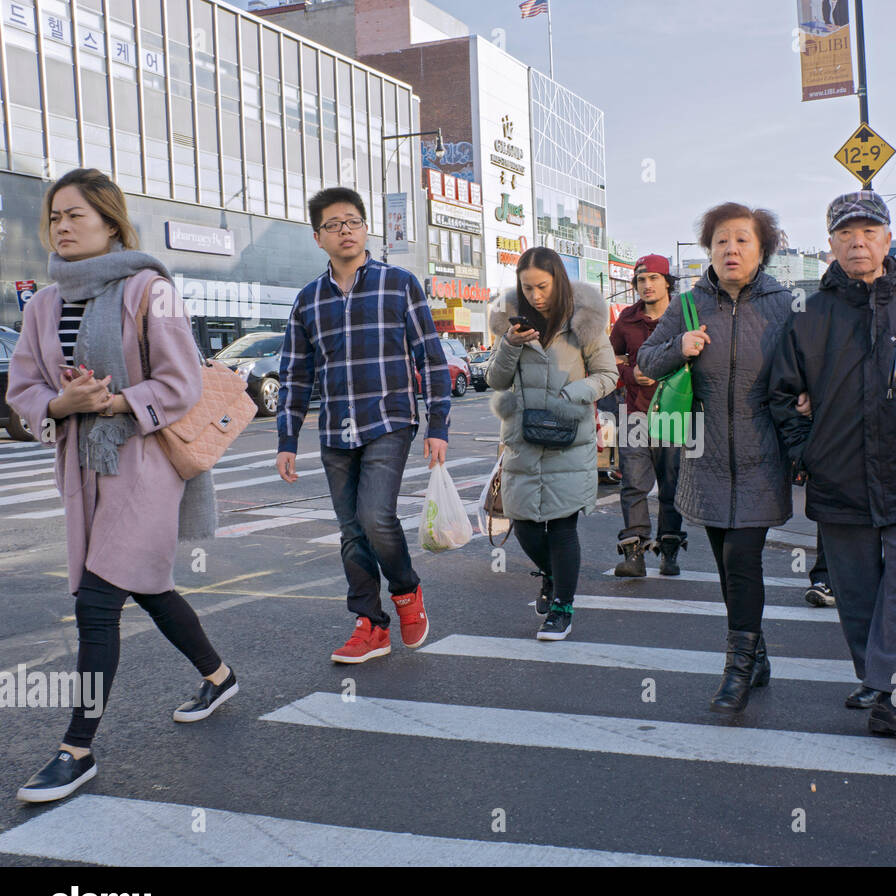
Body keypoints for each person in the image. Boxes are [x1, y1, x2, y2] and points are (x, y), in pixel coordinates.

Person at [6, 169, 236, 803]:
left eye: (75, 215)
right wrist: (61, 403)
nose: (61, 226)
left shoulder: (149, 288)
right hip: (83, 468)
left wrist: (114, 404)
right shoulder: (43, 305)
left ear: (110, 221)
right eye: (54, 216)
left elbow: (181, 380)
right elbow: (23, 389)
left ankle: (75, 749)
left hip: (143, 464)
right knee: (151, 586)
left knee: (98, 600)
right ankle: (218, 676)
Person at [770, 190, 896, 736]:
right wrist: (804, 450)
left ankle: (893, 695)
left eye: (868, 232)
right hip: (839, 477)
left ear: (887, 238)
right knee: (858, 593)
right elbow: (780, 394)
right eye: (845, 233)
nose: (857, 242)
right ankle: (876, 679)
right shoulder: (808, 313)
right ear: (830, 243)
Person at [277, 187, 450, 664]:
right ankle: (370, 624)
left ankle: (406, 591)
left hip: (389, 420)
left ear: (366, 227)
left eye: (352, 221)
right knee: (351, 530)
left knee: (375, 517)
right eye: (333, 225)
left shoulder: (399, 284)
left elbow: (431, 359)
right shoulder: (308, 300)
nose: (345, 231)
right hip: (335, 429)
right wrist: (286, 439)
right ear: (318, 237)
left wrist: (438, 424)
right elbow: (294, 374)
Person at [638, 202, 794, 714]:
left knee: (743, 559)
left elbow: (804, 373)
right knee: (728, 564)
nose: (731, 249)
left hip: (761, 457)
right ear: (709, 249)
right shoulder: (688, 303)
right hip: (703, 458)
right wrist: (679, 347)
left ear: (761, 249)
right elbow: (645, 363)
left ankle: (736, 670)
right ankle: (758, 653)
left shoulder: (782, 306)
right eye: (722, 240)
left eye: (742, 240)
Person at [486, 246, 618, 640]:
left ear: (558, 281)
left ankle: (562, 606)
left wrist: (571, 395)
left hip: (568, 438)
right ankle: (550, 575)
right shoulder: (513, 325)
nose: (535, 295)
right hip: (523, 440)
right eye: (527, 288)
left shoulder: (585, 322)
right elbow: (495, 380)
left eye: (542, 286)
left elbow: (608, 375)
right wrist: (509, 343)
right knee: (524, 524)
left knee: (561, 528)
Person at [609, 254, 685, 577]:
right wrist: (630, 374)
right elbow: (608, 358)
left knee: (673, 485)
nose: (647, 285)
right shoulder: (626, 318)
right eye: (641, 279)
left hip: (677, 413)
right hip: (635, 411)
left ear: (668, 282)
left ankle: (669, 551)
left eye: (654, 278)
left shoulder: (684, 315)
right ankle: (635, 554)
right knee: (634, 485)